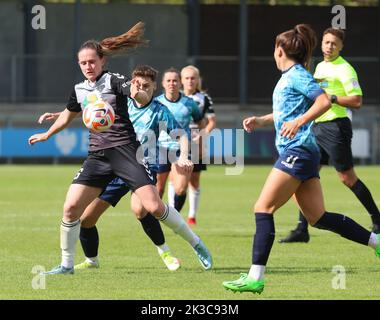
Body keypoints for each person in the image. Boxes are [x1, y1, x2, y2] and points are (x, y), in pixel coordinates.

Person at [28, 22, 213, 275]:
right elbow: (70, 114)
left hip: (126, 152)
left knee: (154, 207)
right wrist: (48, 134)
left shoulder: (115, 81)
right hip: (98, 157)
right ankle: (67, 265)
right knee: (71, 209)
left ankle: (196, 243)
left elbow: (138, 96)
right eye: (83, 63)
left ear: (102, 61)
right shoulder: (79, 90)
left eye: (92, 61)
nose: (88, 67)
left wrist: (139, 94)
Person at [222, 24, 380, 294]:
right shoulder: (289, 77)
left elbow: (323, 102)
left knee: (263, 208)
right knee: (318, 218)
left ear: (280, 50)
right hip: (302, 152)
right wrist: (261, 120)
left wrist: (300, 121)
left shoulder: (296, 75)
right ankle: (376, 242)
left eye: (274, 48)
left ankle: (255, 277)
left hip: (298, 151)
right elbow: (287, 112)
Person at [38, 65, 191, 272]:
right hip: (113, 165)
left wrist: (182, 156)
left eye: (146, 85)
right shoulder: (121, 101)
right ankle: (92, 261)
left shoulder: (159, 110)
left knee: (141, 209)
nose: (141, 88)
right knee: (87, 219)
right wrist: (59, 114)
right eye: (138, 84)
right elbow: (91, 108)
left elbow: (180, 134)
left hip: (140, 164)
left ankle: (165, 252)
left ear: (155, 86)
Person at [280, 27, 380, 243]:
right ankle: (301, 229)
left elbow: (357, 101)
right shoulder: (319, 67)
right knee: (306, 175)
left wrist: (331, 97)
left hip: (335, 127)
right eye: (326, 42)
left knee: (347, 178)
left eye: (334, 43)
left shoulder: (346, 69)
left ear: (341, 46)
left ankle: (377, 220)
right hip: (317, 128)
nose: (329, 46)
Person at [167, 65, 216, 225]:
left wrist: (201, 138)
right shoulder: (174, 97)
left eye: (193, 78)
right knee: (174, 179)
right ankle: (172, 212)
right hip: (176, 144)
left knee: (194, 180)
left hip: (196, 143)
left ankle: (192, 215)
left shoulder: (204, 98)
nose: (190, 81)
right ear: (181, 80)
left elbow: (211, 122)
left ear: (197, 80)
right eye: (186, 78)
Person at [155, 68, 204, 213]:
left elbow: (201, 122)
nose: (172, 83)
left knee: (181, 188)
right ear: (163, 83)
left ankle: (173, 216)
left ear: (180, 83)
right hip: (160, 148)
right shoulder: (156, 103)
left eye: (175, 80)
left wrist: (198, 138)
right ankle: (155, 220)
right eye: (168, 81)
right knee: (158, 189)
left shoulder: (189, 103)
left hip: (182, 149)